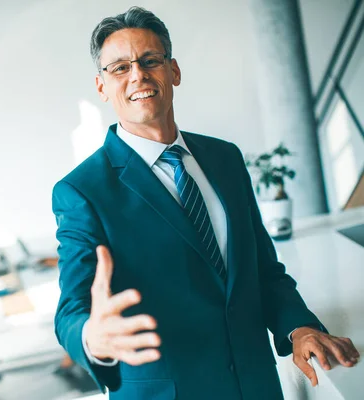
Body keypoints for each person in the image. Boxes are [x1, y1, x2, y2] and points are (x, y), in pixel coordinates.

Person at [52, 6, 359, 400]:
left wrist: (298, 327)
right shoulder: (81, 191)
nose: (138, 76)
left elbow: (263, 270)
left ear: (174, 71)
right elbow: (70, 312)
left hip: (258, 386)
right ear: (101, 86)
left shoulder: (225, 158)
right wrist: (92, 338)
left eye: (150, 61)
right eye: (120, 68)